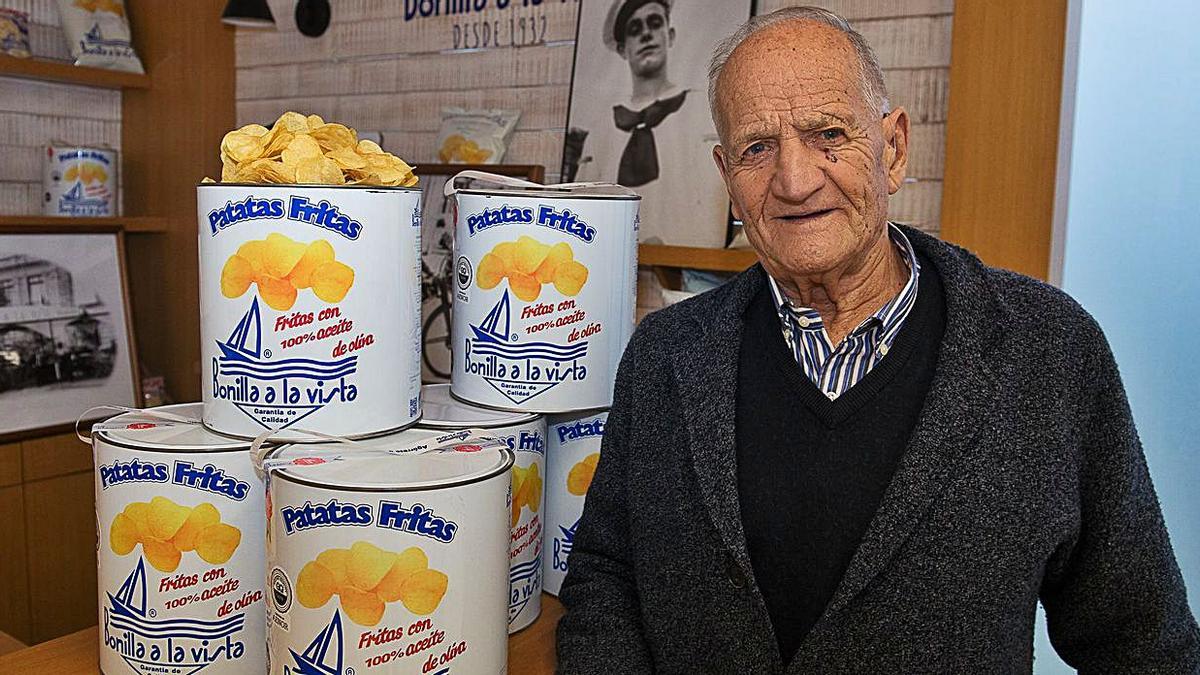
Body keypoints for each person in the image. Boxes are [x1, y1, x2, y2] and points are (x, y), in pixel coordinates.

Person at [555, 6, 1200, 673]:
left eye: (828, 133)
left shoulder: (1050, 351)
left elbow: (1143, 642)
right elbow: (608, 575)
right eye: (757, 147)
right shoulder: (664, 355)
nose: (796, 180)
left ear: (892, 149)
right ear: (728, 176)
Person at [571, 0, 729, 248]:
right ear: (623, 49)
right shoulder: (601, 132)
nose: (646, 34)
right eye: (634, 29)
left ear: (670, 34)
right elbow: (582, 210)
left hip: (694, 272)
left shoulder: (704, 111)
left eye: (655, 23)